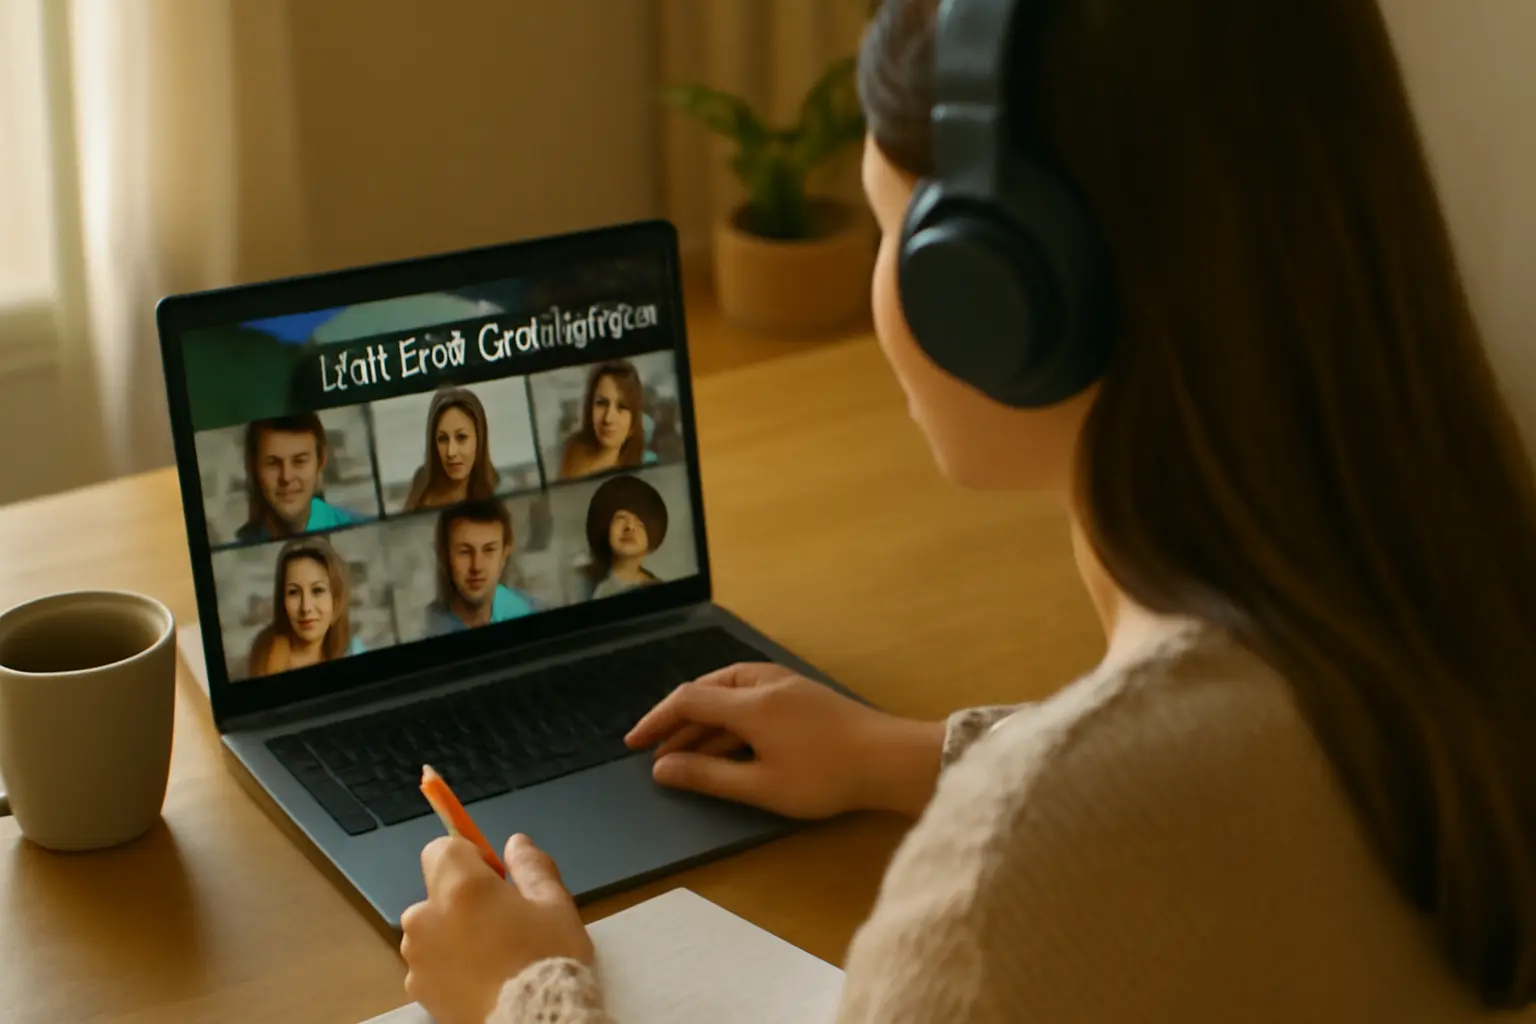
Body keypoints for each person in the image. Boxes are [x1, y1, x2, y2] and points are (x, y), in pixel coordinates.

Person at [398, 1, 1536, 1022]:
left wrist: (520, 992)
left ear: (995, 295)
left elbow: (1099, 832)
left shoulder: (1015, 874)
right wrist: (909, 755)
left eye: (888, 225)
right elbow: (1212, 792)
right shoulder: (1446, 621)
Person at [234, 414, 367, 543]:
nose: (286, 477)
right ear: (253, 467)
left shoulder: (357, 529)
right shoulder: (243, 540)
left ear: (321, 461)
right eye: (272, 463)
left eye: (299, 461)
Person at [245, 536, 364, 677]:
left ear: (336, 600)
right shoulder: (267, 655)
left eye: (317, 590)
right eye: (293, 592)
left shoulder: (354, 651)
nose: (306, 608)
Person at [423, 499, 540, 635]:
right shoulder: (428, 629)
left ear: (505, 553)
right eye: (464, 552)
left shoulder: (525, 609)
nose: (477, 567)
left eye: (489, 549)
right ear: (444, 555)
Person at [403, 388, 501, 511]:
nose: (451, 452)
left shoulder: (498, 492)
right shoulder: (421, 490)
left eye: (461, 437)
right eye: (442, 439)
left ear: (479, 439)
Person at [558, 361, 659, 480]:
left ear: (634, 419)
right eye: (601, 403)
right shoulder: (573, 448)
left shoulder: (646, 467)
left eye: (621, 407)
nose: (608, 419)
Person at [580, 475, 668, 600]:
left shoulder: (660, 588)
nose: (630, 527)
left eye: (640, 523)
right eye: (621, 518)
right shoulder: (595, 593)